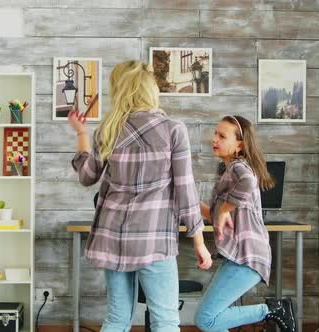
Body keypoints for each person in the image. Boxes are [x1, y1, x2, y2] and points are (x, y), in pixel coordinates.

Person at [68, 60, 212, 332]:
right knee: (165, 320)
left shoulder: (108, 130)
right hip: (153, 241)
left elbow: (87, 176)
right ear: (150, 88)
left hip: (113, 240)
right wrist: (199, 240)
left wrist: (81, 134)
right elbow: (185, 189)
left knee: (117, 318)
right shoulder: (173, 130)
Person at [194, 115, 297, 332]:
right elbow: (217, 217)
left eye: (222, 136)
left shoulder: (238, 167)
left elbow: (249, 183)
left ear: (239, 144)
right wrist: (191, 201)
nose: (214, 139)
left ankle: (272, 310)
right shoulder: (228, 171)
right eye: (215, 133)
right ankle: (273, 309)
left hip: (247, 256)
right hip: (239, 257)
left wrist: (223, 209)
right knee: (212, 320)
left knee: (206, 319)